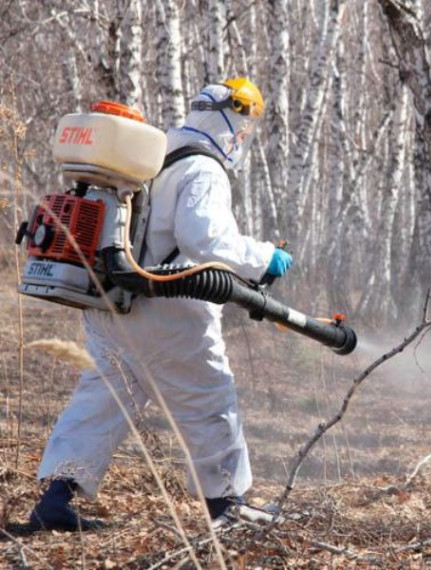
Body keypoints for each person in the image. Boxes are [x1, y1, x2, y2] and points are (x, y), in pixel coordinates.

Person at [29, 78, 292, 531]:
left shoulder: (153, 152)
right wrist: (265, 256)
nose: (242, 141)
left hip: (111, 307)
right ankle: (227, 506)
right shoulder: (203, 168)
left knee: (100, 401)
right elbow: (204, 238)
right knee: (210, 400)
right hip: (168, 313)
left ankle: (56, 498)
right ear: (232, 123)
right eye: (243, 130)